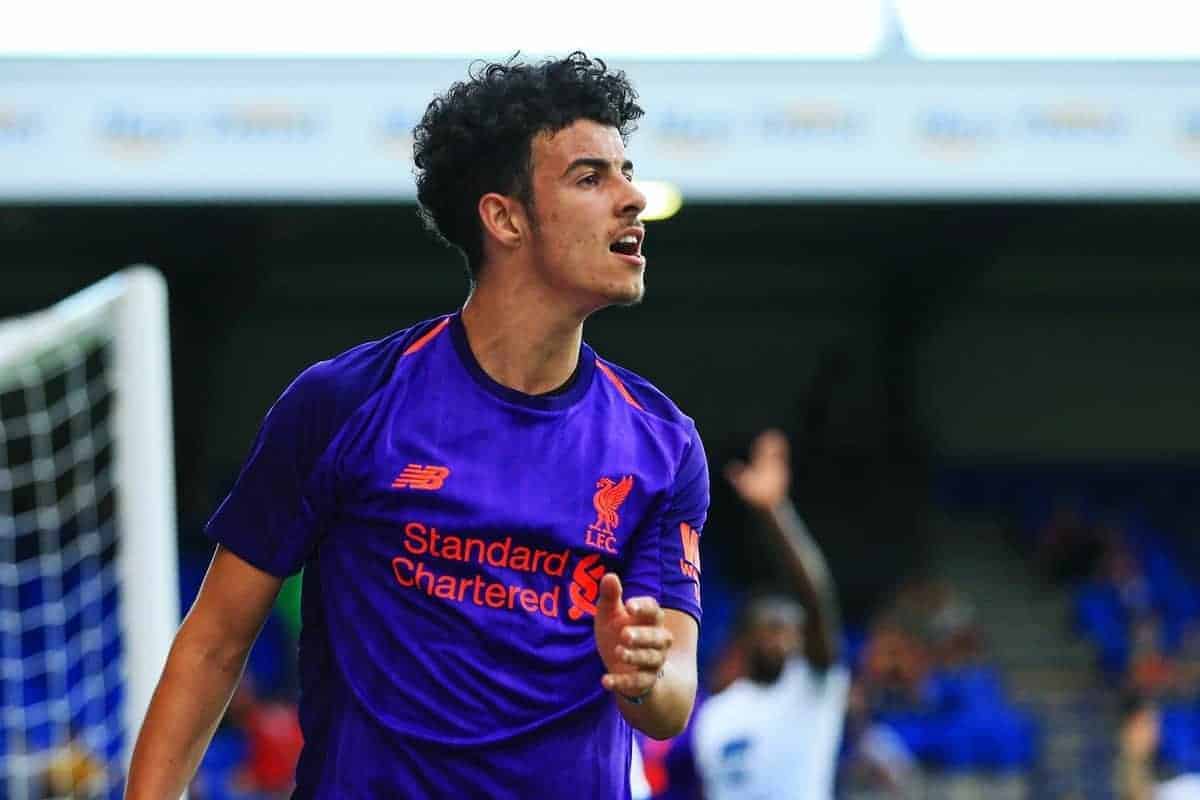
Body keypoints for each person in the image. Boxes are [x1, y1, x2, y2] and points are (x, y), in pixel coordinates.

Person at [126, 52, 708, 799]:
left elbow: (671, 702)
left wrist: (644, 673)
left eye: (628, 171)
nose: (631, 198)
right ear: (503, 218)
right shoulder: (343, 404)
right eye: (591, 177)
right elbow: (213, 644)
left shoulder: (662, 442)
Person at [691, 429, 848, 800]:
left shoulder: (811, 687)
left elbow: (816, 595)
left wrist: (774, 512)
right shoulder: (715, 715)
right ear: (747, 637)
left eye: (793, 629)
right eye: (773, 627)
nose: (785, 637)